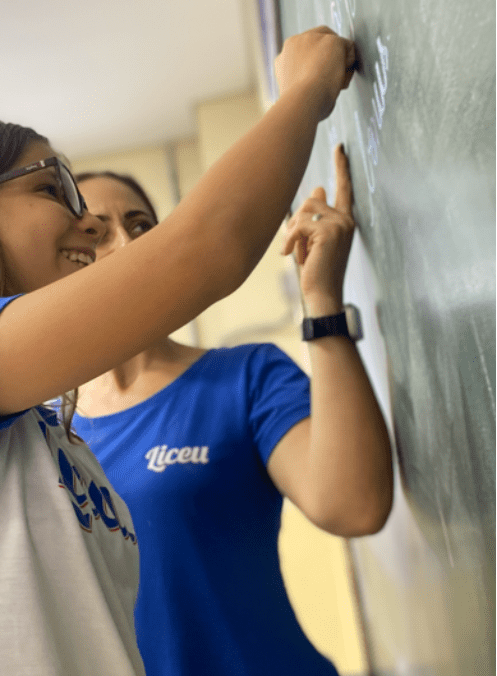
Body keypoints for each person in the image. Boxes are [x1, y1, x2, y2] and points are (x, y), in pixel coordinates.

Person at [0, 27, 357, 676]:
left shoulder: (46, 438)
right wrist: (304, 91)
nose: (85, 222)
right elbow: (203, 252)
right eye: (53, 189)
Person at [72, 150, 393, 676]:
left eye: (141, 225)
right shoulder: (41, 439)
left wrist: (322, 302)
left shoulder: (244, 377)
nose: (128, 245)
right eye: (96, 232)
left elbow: (354, 506)